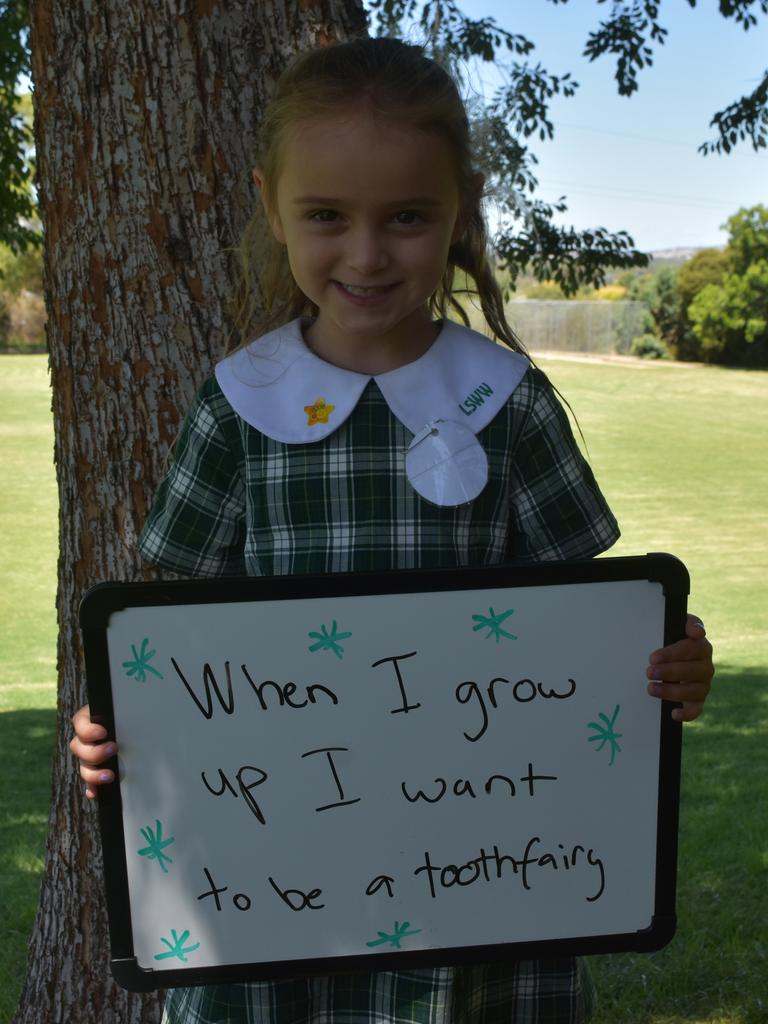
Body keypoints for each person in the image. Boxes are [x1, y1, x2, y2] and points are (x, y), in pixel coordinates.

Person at [71, 36, 714, 1024]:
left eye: (407, 217)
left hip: (484, 899)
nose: (367, 254)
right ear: (271, 204)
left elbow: (600, 626)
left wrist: (670, 664)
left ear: (458, 209)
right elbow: (161, 639)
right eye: (327, 216)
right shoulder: (239, 408)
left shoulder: (510, 403)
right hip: (275, 908)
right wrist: (117, 733)